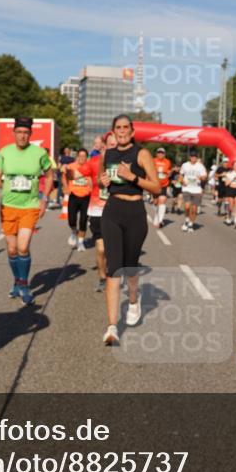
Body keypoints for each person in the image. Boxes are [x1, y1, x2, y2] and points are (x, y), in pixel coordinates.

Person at [99, 114, 160, 345]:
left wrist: (132, 176)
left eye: (126, 128)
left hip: (135, 213)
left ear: (132, 132)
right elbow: (99, 180)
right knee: (114, 268)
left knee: (131, 266)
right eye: (118, 128)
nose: (122, 131)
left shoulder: (141, 154)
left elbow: (156, 187)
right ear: (113, 131)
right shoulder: (108, 154)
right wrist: (103, 181)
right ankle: (112, 327)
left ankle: (134, 299)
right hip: (112, 210)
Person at [0, 117, 54, 305]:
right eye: (19, 132)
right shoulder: (5, 152)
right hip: (8, 207)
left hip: (30, 206)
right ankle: (17, 281)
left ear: (30, 134)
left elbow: (50, 176)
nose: (22, 136)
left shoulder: (39, 153)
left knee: (23, 246)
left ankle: (25, 284)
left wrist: (45, 199)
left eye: (26, 132)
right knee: (11, 250)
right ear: (14, 133)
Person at [69, 131, 115, 291]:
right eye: (110, 144)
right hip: (97, 211)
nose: (113, 147)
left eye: (116, 144)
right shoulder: (94, 162)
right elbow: (75, 174)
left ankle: (113, 275)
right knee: (101, 249)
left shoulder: (124, 163)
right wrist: (65, 170)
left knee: (113, 249)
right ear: (104, 145)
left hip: (118, 211)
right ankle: (103, 277)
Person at [66, 148, 92, 251]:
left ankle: (81, 243)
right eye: (80, 156)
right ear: (77, 156)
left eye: (84, 156)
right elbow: (65, 177)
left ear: (87, 157)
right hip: (74, 195)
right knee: (71, 220)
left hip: (86, 196)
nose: (82, 158)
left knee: (83, 220)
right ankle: (73, 231)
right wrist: (65, 187)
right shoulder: (71, 166)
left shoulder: (90, 167)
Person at [180, 150, 208, 233]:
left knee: (194, 209)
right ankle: (186, 220)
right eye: (192, 156)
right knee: (187, 206)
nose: (193, 158)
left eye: (195, 156)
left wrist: (202, 178)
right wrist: (182, 181)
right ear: (189, 157)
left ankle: (191, 224)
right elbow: (181, 175)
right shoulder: (185, 165)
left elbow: (204, 177)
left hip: (196, 189)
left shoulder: (200, 166)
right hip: (187, 188)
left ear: (197, 157)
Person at [151, 147, 173, 228]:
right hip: (154, 184)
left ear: (164, 154)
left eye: (162, 153)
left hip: (164, 184)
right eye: (159, 152)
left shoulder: (168, 162)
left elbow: (170, 171)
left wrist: (169, 173)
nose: (160, 154)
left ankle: (160, 220)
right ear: (156, 154)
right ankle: (156, 216)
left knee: (162, 201)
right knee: (156, 202)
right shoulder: (153, 161)